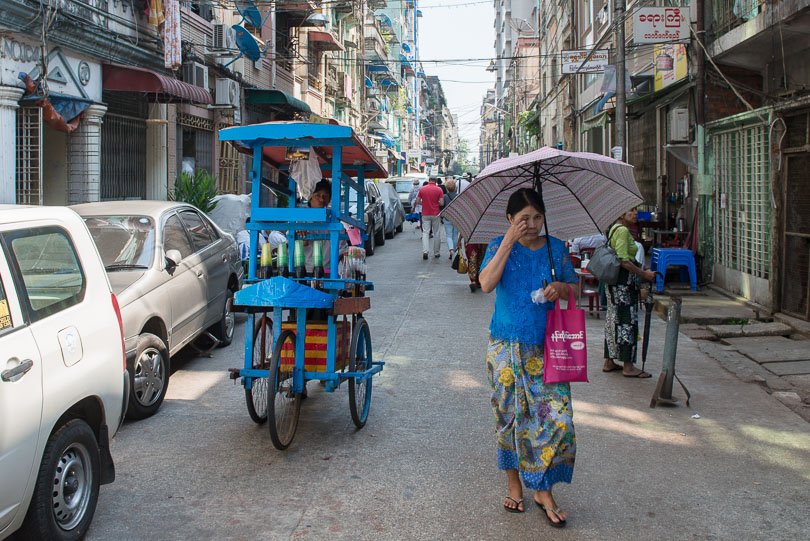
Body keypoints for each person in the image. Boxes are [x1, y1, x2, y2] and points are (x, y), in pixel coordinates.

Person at [478, 188, 578, 526]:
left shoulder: (556, 249)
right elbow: (486, 283)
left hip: (547, 348)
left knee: (556, 420)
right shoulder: (497, 246)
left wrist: (560, 289)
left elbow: (573, 287)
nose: (532, 224)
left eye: (537, 217)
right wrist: (508, 241)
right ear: (510, 219)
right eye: (524, 218)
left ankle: (543, 487)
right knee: (508, 417)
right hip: (504, 348)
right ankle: (514, 483)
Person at [602, 208, 657, 377]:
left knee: (613, 319)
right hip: (623, 285)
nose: (635, 214)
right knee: (627, 321)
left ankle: (609, 361)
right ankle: (628, 365)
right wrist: (644, 274)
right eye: (631, 211)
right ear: (620, 214)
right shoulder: (623, 230)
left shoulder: (614, 229)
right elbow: (624, 260)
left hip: (614, 284)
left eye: (635, 211)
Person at [414, 177, 444, 260]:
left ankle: (425, 251)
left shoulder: (422, 189)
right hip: (436, 214)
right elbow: (441, 203)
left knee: (425, 233)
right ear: (435, 181)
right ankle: (436, 252)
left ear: (429, 181)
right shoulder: (439, 190)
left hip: (425, 214)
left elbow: (417, 201)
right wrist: (435, 203)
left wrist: (424, 203)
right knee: (437, 232)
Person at [443, 179, 459, 259]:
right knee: (455, 234)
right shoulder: (458, 196)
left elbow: (442, 206)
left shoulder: (445, 196)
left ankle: (451, 250)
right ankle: (455, 250)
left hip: (447, 217)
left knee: (449, 235)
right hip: (456, 217)